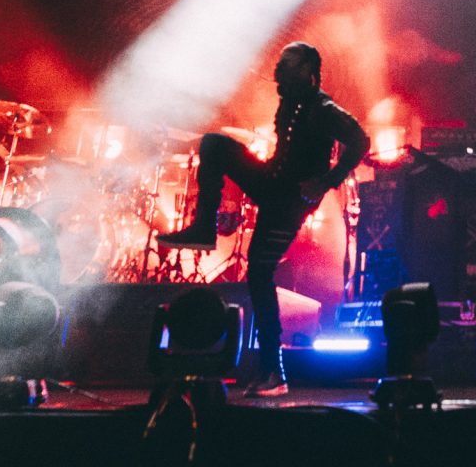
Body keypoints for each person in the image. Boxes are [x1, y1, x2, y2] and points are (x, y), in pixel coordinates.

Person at [157, 41, 367, 397]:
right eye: (279, 63)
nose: (278, 70)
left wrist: (326, 181)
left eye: (287, 64)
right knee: (212, 144)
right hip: (273, 183)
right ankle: (204, 227)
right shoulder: (292, 101)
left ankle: (275, 371)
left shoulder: (323, 107)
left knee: (259, 272)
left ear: (307, 70)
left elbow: (360, 140)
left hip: (289, 200)